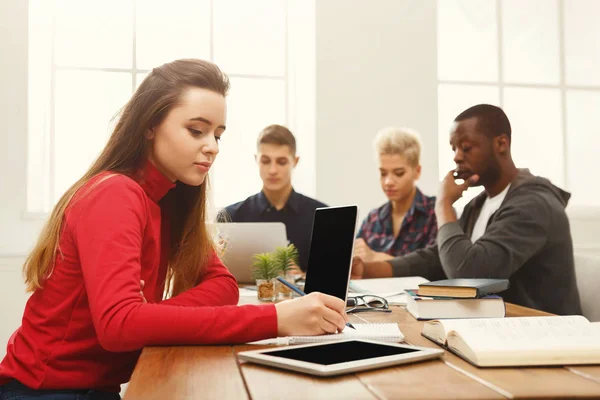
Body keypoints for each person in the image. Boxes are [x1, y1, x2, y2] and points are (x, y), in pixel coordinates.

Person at [0, 59, 348, 400]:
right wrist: (276, 318)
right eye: (196, 131)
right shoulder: (115, 194)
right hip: (46, 391)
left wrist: (149, 316)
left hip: (95, 389)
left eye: (218, 134)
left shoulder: (170, 200)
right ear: (149, 125)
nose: (211, 145)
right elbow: (119, 327)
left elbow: (223, 285)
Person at [351, 104, 582, 315]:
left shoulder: (533, 204)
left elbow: (468, 275)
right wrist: (369, 270)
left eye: (466, 148)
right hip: (496, 324)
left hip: (541, 334)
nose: (457, 157)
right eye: (454, 149)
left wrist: (443, 204)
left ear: (501, 144)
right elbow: (438, 257)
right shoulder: (481, 203)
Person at [218, 124, 327, 272]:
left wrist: (301, 277)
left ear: (295, 162)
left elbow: (330, 276)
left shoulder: (322, 215)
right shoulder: (230, 216)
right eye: (265, 161)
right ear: (256, 160)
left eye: (281, 162)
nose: (273, 170)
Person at [354, 127, 437, 263]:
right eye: (383, 173)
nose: (388, 182)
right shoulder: (372, 219)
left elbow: (435, 270)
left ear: (417, 171)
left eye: (399, 173)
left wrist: (376, 259)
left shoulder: (436, 213)